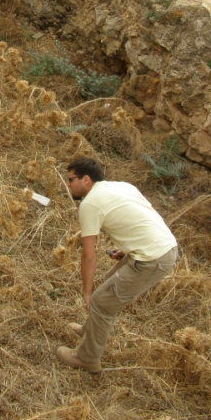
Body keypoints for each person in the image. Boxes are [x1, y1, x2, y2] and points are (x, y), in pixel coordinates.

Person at [56, 157, 178, 373]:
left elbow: (89, 255)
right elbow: (144, 216)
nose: (68, 185)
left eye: (71, 180)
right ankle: (88, 330)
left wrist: (86, 293)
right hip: (162, 246)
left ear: (86, 180)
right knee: (108, 284)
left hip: (152, 259)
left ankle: (87, 358)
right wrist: (127, 248)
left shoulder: (90, 204)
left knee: (102, 303)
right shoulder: (121, 186)